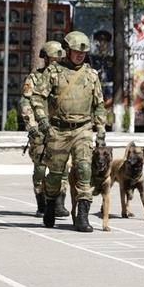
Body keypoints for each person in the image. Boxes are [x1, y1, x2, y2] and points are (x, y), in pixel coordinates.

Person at [31, 31, 107, 232]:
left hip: (83, 129)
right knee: (55, 175)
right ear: (67, 50)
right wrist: (43, 120)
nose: (80, 55)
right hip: (58, 130)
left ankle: (82, 217)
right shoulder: (54, 72)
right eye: (76, 51)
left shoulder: (91, 75)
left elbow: (99, 105)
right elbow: (37, 97)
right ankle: (50, 204)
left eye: (83, 52)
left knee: (84, 169)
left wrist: (100, 131)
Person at [19, 41, 69, 218]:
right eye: (54, 59)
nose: (57, 62)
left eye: (59, 59)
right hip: (40, 129)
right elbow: (25, 102)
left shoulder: (65, 77)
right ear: (46, 59)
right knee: (40, 168)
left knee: (63, 167)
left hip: (60, 129)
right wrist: (32, 125)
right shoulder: (34, 78)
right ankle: (41, 203)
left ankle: (59, 203)